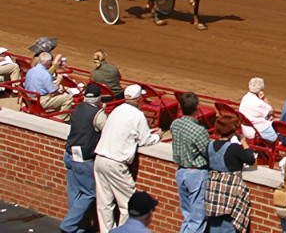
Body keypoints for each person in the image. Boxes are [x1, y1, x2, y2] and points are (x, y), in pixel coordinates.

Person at [94, 84, 163, 233]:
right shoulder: (137, 115)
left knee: (104, 203)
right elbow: (145, 140)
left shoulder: (117, 110)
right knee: (128, 204)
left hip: (100, 159)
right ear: (139, 99)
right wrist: (158, 136)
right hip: (116, 163)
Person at [61, 84, 107, 233]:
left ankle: (78, 228)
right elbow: (107, 131)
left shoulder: (78, 108)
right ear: (98, 98)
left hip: (69, 155)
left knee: (74, 193)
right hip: (83, 159)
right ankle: (69, 225)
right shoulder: (98, 114)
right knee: (89, 193)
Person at [204, 114, 256, 233]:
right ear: (233, 132)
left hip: (212, 192)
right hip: (230, 195)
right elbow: (251, 160)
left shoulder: (209, 145)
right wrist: (243, 141)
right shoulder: (234, 148)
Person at [170, 92, 210, 233]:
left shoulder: (175, 124)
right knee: (197, 219)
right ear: (197, 109)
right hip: (196, 174)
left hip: (181, 172)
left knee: (187, 215)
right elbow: (207, 152)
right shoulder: (199, 130)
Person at [24, 50, 74, 120]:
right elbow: (53, 93)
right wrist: (58, 84)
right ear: (48, 62)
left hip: (29, 98)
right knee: (68, 97)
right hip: (40, 100)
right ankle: (60, 118)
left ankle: (58, 113)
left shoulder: (31, 70)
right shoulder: (46, 75)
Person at [238, 77, 277, 143]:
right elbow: (271, 111)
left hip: (244, 128)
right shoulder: (259, 103)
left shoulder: (245, 97)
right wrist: (263, 99)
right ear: (260, 90)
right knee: (276, 131)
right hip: (256, 131)